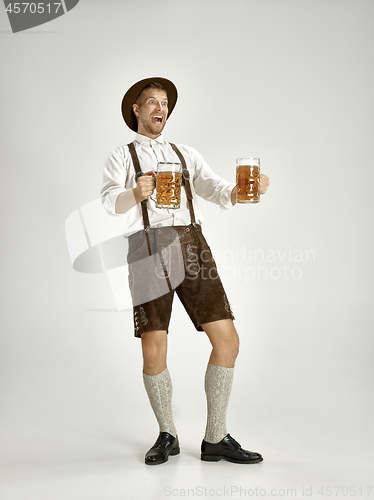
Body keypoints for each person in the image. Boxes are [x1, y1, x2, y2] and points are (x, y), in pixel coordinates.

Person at [101, 77, 270, 466]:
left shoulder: (185, 153)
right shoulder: (122, 155)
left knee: (227, 339)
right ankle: (167, 434)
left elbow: (217, 189)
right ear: (137, 110)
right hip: (146, 248)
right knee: (153, 345)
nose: (160, 108)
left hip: (192, 246)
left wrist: (252, 189)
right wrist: (135, 194)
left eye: (164, 103)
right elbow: (110, 199)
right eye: (152, 102)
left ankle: (215, 437)